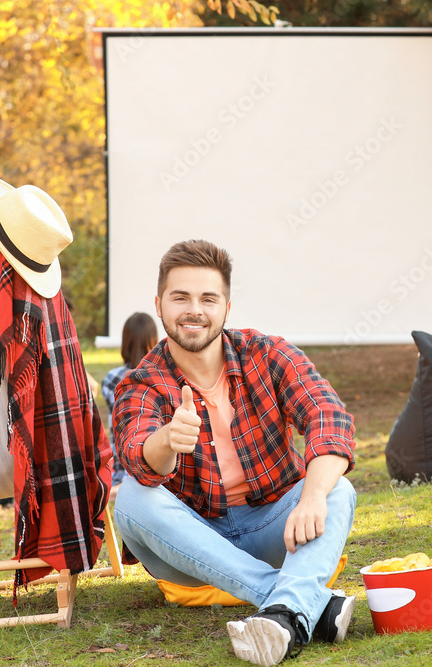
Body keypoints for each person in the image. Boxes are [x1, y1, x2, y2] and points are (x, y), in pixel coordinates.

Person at [112, 240, 357, 667]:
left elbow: (329, 419)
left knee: (338, 489)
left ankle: (284, 614)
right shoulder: (140, 383)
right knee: (132, 498)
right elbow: (137, 454)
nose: (195, 310)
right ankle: (297, 607)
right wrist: (168, 439)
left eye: (208, 298)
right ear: (159, 304)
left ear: (226, 306)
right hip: (189, 549)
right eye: (180, 297)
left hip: (273, 532)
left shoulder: (269, 353)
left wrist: (313, 496)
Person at [101, 312, 159, 492]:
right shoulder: (159, 378)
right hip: (154, 463)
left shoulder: (112, 378)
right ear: (154, 341)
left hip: (119, 465)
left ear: (126, 342)